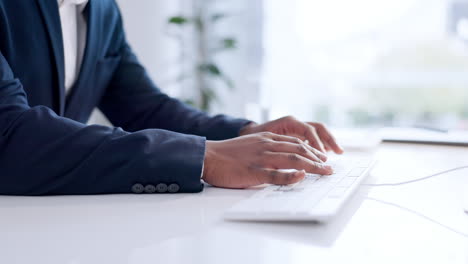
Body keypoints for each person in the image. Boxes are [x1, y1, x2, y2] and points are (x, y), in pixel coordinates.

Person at [0, 0, 343, 195]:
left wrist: (244, 133)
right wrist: (204, 157)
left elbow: (144, 107)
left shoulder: (102, 10)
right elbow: (9, 131)